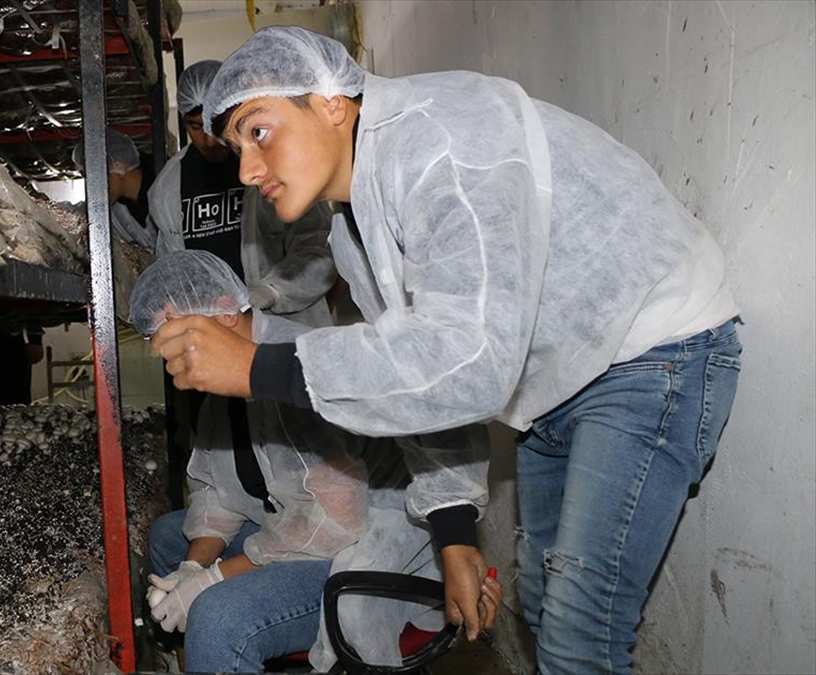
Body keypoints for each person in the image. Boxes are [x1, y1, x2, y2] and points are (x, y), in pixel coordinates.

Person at [149, 26, 742, 674]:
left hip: (652, 347)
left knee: (580, 629)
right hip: (559, 379)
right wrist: (454, 531)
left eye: (259, 132)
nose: (247, 169)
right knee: (543, 605)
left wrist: (258, 365)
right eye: (236, 147)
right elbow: (421, 387)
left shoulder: (442, 142)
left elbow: (467, 358)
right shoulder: (354, 228)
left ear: (329, 102)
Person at [131, 251, 454, 672]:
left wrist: (212, 581)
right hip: (308, 523)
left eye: (175, 333)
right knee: (170, 536)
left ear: (225, 313)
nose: (167, 353)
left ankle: (221, 644)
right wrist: (193, 566)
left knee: (217, 616)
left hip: (367, 546)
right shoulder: (217, 378)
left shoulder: (298, 366)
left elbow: (335, 521)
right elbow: (218, 491)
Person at [151, 59, 337, 328]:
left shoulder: (272, 160)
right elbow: (173, 269)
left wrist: (272, 292)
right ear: (182, 121)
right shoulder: (166, 189)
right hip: (217, 340)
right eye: (195, 126)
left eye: (213, 124)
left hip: (291, 331)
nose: (209, 139)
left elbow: (318, 244)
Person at [72, 128, 158, 249]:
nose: (95, 188)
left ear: (119, 166)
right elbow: (78, 214)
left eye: (96, 178)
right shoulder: (115, 207)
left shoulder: (167, 185)